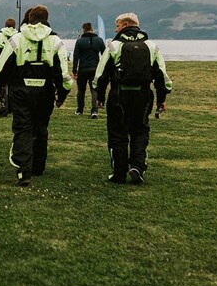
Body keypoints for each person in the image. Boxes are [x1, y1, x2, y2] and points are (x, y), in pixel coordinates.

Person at [0, 5, 72, 186]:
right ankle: (38, 166)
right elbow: (63, 74)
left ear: (30, 18)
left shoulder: (17, 39)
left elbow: (0, 69)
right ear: (46, 18)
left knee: (23, 128)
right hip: (45, 92)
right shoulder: (56, 41)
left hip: (20, 92)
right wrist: (62, 95)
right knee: (41, 128)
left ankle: (23, 170)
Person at [94, 13, 172, 185]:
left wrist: (99, 96)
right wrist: (162, 99)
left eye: (117, 25)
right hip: (143, 96)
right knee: (140, 131)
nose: (115, 29)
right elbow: (162, 76)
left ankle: (119, 172)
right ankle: (137, 166)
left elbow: (101, 74)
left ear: (126, 25)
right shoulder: (151, 46)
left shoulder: (114, 45)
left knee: (117, 133)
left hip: (119, 96)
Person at [72, 22, 105, 118]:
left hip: (83, 69)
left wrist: (74, 71)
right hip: (95, 69)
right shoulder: (99, 40)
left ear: (83, 30)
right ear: (92, 29)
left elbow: (75, 57)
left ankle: (80, 110)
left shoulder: (79, 41)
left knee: (81, 90)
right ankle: (94, 111)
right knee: (94, 89)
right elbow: (104, 55)